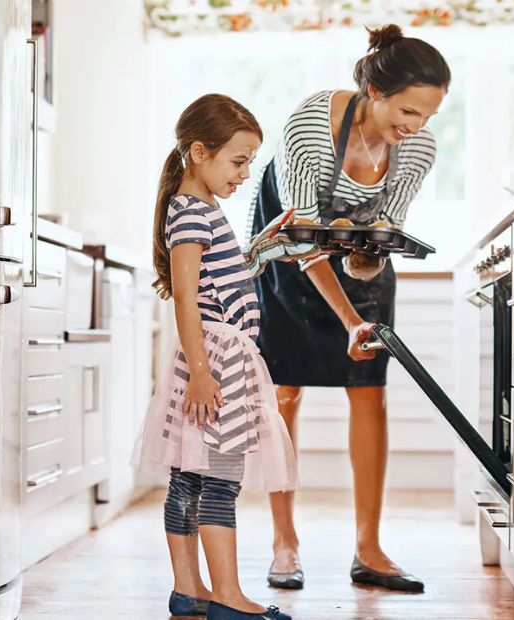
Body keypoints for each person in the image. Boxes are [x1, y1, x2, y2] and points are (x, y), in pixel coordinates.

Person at [248, 24, 451, 593]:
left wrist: (367, 261)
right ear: (372, 88)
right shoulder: (311, 126)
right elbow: (301, 238)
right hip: (291, 248)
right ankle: (284, 543)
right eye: (407, 112)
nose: (414, 128)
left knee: (370, 390)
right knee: (284, 393)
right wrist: (347, 317)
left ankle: (370, 548)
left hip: (353, 247)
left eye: (427, 117)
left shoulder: (418, 149)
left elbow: (383, 236)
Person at [133, 94, 296, 620]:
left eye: (249, 161)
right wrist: (202, 373)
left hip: (212, 354)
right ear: (199, 152)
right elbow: (185, 296)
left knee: (190, 476)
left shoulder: (197, 210)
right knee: (220, 478)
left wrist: (255, 252)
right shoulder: (192, 214)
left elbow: (207, 283)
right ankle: (227, 595)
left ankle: (190, 591)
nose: (245, 173)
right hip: (214, 359)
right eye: (238, 160)